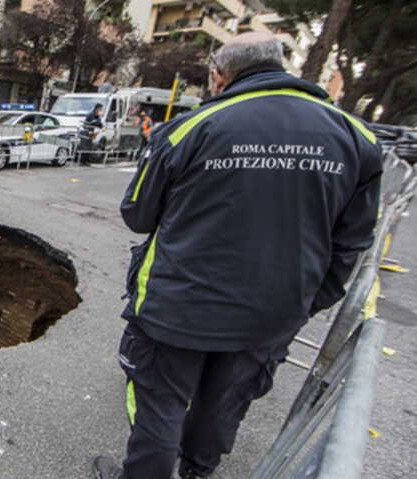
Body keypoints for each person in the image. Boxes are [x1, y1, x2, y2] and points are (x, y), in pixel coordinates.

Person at [92, 32, 382, 479]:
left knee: (160, 405)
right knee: (223, 402)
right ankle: (196, 472)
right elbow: (353, 241)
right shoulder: (355, 137)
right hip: (274, 310)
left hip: (178, 307)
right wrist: (308, 300)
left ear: (218, 76)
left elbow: (138, 213)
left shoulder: (194, 126)